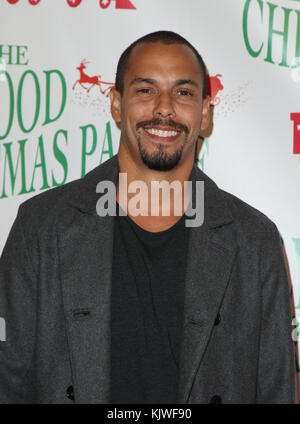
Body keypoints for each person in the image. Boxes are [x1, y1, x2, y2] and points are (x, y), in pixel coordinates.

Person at [0, 30, 297, 404]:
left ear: (205, 113)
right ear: (115, 104)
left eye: (184, 92)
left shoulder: (254, 240)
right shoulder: (40, 228)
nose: (164, 108)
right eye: (145, 90)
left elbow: (276, 390)